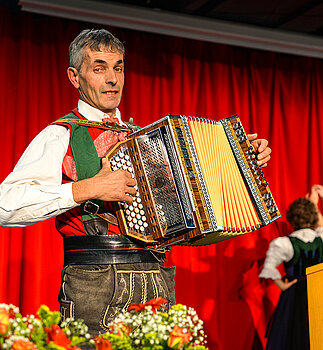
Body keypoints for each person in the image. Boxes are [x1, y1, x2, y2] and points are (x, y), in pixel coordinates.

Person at [0, 29, 272, 334]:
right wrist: (85, 189)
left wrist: (241, 161)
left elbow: (190, 213)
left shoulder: (150, 141)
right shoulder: (60, 134)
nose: (113, 79)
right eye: (99, 68)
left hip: (156, 278)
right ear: (75, 77)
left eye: (118, 67)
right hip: (96, 282)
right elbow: (5, 206)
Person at [259, 190, 323, 350]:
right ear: (313, 218)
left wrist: (282, 285)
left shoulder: (285, 243)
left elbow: (268, 269)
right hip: (317, 293)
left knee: (290, 337)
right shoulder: (322, 240)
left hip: (293, 295)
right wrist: (314, 205)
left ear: (292, 218)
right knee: (317, 333)